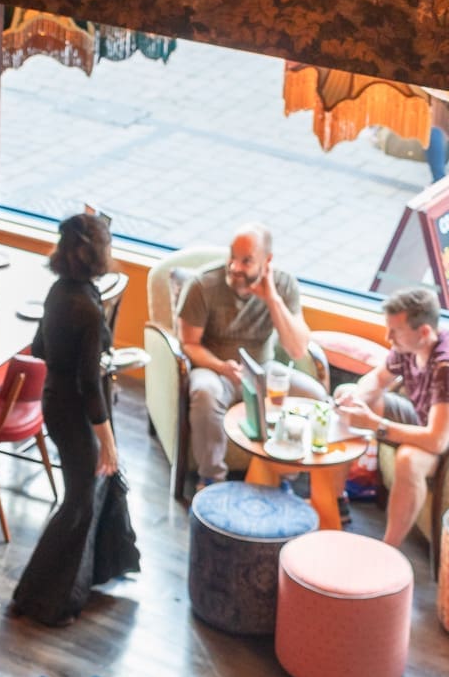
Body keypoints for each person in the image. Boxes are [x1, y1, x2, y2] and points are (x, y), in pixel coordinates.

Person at [9, 213, 139, 626]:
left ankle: (88, 575)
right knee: (79, 501)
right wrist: (109, 442)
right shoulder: (87, 308)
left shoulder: (59, 291)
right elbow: (88, 386)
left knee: (89, 489)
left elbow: (42, 348)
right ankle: (37, 597)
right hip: (76, 409)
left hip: (54, 400)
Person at [176, 223, 313, 488]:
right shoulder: (203, 286)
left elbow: (297, 349)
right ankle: (211, 479)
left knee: (315, 396)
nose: (235, 267)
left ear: (267, 261)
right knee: (205, 393)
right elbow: (188, 344)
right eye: (232, 257)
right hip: (216, 367)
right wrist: (220, 366)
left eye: (246, 261)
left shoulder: (284, 285)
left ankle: (286, 473)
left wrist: (272, 299)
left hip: (263, 369)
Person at [335, 287, 449, 547]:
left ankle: (388, 547)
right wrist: (356, 400)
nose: (388, 338)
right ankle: (336, 497)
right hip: (421, 416)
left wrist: (376, 425)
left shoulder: (445, 367)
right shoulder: (409, 348)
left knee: (408, 459)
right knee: (348, 393)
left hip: (443, 437)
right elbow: (377, 378)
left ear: (423, 332)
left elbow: (438, 440)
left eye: (394, 332)